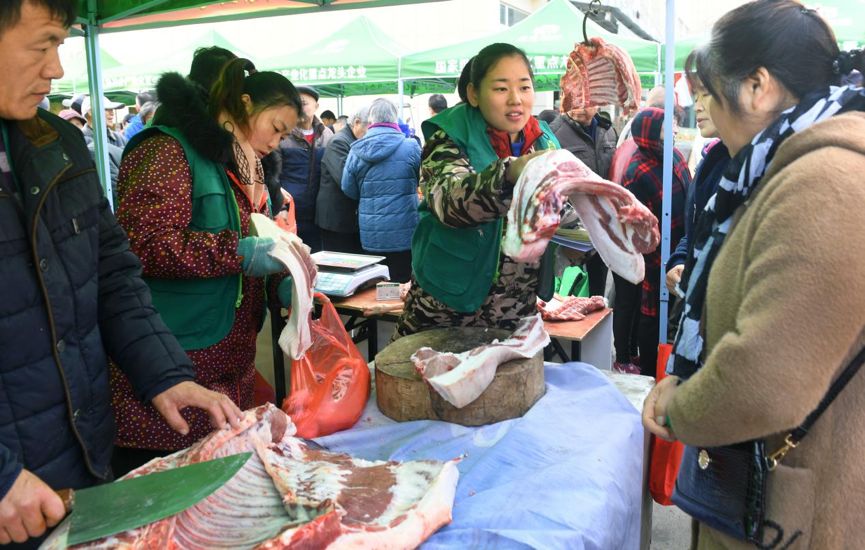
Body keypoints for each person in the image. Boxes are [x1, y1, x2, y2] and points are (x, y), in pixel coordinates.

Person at [0, 1, 243, 546]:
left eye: (63, 45)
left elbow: (112, 274)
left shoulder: (56, 145)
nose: (57, 69)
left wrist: (164, 371)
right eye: (43, 44)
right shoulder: (161, 151)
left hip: (78, 457)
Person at [642, 2, 865, 547]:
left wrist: (680, 408)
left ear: (757, 86)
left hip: (798, 505)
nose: (711, 114)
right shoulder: (783, 164)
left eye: (714, 96)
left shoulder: (826, 183)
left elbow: (767, 380)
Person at [111, 59, 302, 474]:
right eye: (276, 127)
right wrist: (239, 253)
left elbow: (262, 248)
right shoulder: (167, 149)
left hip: (231, 365)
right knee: (165, 494)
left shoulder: (247, 166)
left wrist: (286, 283)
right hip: (173, 361)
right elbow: (143, 244)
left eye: (286, 135)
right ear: (245, 103)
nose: (278, 141)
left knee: (221, 485)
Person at [396, 43, 558, 337]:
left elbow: (561, 208)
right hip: (446, 307)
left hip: (515, 308)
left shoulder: (544, 140)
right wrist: (509, 173)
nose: (515, 100)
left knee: (508, 380)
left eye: (524, 87)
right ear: (473, 94)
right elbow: (450, 201)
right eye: (500, 89)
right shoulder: (448, 139)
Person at [620, 107, 689, 377]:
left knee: (676, 311)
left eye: (672, 125)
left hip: (682, 248)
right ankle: (650, 371)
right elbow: (634, 223)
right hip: (654, 254)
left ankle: (670, 367)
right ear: (649, 133)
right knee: (652, 313)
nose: (672, 131)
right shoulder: (636, 171)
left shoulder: (675, 156)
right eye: (665, 128)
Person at [664, 52, 731, 303]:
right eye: (696, 95)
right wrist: (679, 259)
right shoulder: (713, 156)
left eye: (707, 94)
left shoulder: (751, 168)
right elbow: (697, 225)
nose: (698, 105)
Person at [341, 99, 421, 282]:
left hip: (371, 232)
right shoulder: (411, 147)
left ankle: (378, 310)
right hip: (405, 230)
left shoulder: (357, 149)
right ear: (395, 119)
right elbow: (421, 180)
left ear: (371, 120)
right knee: (402, 282)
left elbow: (348, 188)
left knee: (375, 284)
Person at [550, 101, 618, 298]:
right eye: (575, 100)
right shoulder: (555, 133)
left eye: (586, 101)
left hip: (603, 224)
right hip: (571, 228)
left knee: (598, 290)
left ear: (598, 104)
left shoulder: (608, 131)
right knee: (567, 292)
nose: (579, 106)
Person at [278, 85, 333, 252]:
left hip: (319, 213)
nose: (300, 107)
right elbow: (273, 175)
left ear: (316, 106)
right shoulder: (282, 135)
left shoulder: (327, 136)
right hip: (290, 212)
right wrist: (280, 207)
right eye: (296, 103)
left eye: (304, 103)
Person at [316, 105, 369, 254]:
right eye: (369, 128)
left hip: (349, 217)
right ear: (357, 122)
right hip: (336, 218)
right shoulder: (339, 142)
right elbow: (345, 180)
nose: (370, 134)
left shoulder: (353, 139)